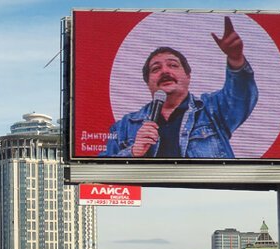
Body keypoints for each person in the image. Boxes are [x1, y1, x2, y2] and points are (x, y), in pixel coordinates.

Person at [103, 16, 258, 158]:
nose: (165, 71)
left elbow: (240, 95)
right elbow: (101, 172)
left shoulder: (212, 109)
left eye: (172, 65)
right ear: (148, 82)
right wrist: (133, 152)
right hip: (148, 189)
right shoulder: (125, 125)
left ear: (188, 76)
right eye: (156, 69)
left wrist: (235, 58)